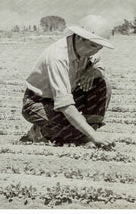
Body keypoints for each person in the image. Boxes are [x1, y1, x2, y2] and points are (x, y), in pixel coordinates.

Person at [20, 15, 115, 148]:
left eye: (99, 48)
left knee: (102, 83)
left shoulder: (87, 50)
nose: (95, 51)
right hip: (38, 103)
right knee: (73, 127)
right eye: (93, 46)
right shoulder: (58, 57)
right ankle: (40, 132)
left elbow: (100, 67)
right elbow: (65, 105)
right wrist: (94, 136)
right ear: (81, 38)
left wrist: (92, 72)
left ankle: (84, 133)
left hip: (68, 95)